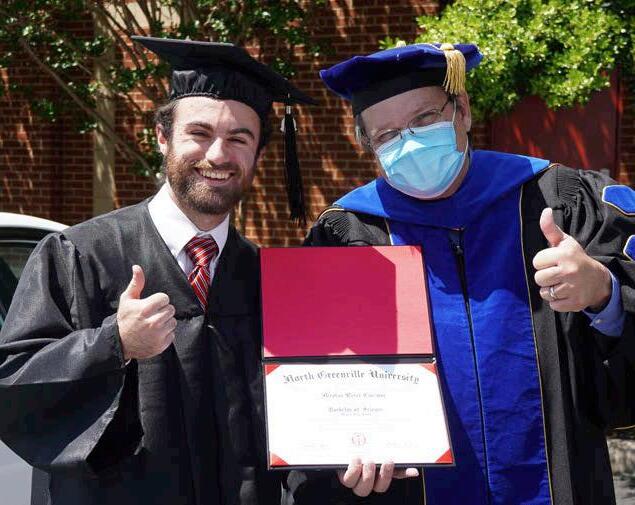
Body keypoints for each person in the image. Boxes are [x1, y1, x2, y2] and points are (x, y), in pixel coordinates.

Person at [303, 43, 635, 504]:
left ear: (462, 110)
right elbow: (318, 381)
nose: (409, 143)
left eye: (424, 119)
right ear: (368, 145)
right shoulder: (346, 234)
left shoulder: (558, 198)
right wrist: (343, 449)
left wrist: (604, 293)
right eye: (387, 135)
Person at [0, 36, 315, 505]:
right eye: (199, 133)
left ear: (257, 155)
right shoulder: (79, 254)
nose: (218, 155)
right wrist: (113, 344)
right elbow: (12, 384)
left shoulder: (264, 277)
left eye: (238, 138)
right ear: (162, 137)